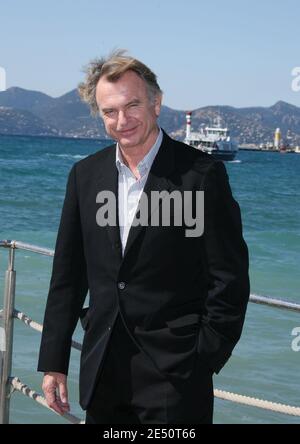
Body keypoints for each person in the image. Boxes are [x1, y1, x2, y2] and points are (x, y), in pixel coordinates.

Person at [38, 50, 250, 424]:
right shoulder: (84, 177)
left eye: (132, 104)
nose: (122, 120)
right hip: (102, 370)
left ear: (156, 102)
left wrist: (203, 357)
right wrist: (54, 362)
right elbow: (68, 278)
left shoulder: (201, 176)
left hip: (176, 377)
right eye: (109, 111)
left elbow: (229, 278)